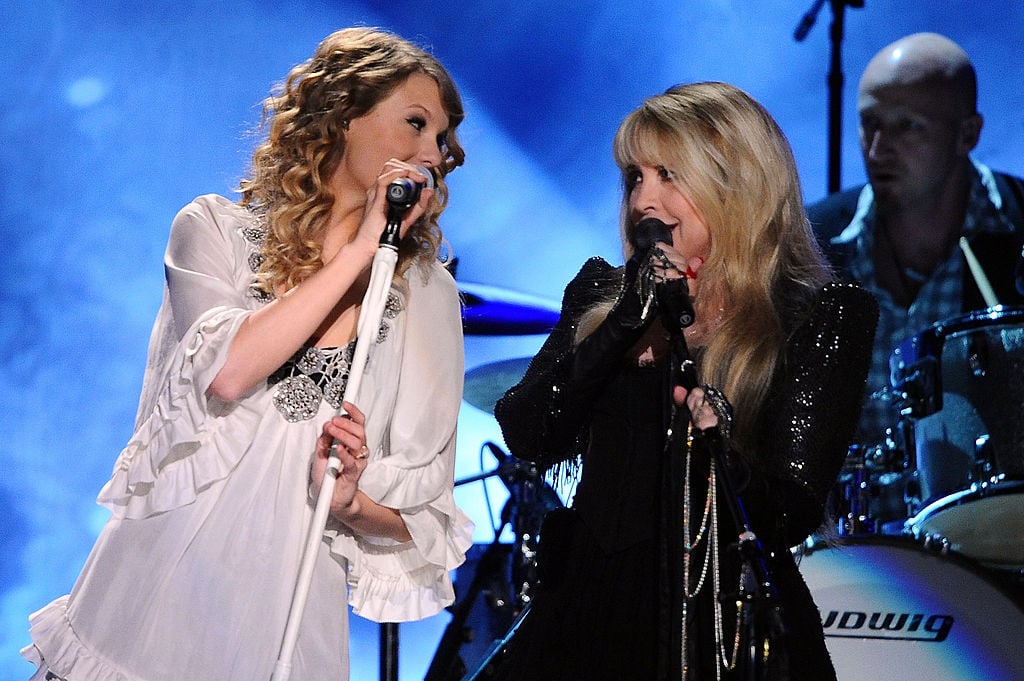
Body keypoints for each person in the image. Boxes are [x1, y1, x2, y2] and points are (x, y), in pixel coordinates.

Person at [21, 27, 473, 681]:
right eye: (415, 124)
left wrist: (350, 503)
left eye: (442, 140)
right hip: (157, 598)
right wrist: (361, 250)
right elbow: (229, 371)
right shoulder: (212, 231)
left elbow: (423, 517)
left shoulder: (427, 295)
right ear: (344, 115)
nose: (432, 152)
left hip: (284, 618)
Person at [485, 82, 877, 681]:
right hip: (583, 618)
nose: (644, 197)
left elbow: (791, 510)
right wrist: (622, 323)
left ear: (735, 183)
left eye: (668, 174)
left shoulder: (818, 313)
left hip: (721, 624)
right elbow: (529, 430)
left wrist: (722, 451)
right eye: (634, 177)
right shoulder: (600, 295)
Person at [807, 32, 1024, 448]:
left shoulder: (1016, 225)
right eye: (869, 124)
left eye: (907, 126)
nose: (877, 150)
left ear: (968, 134)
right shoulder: (815, 240)